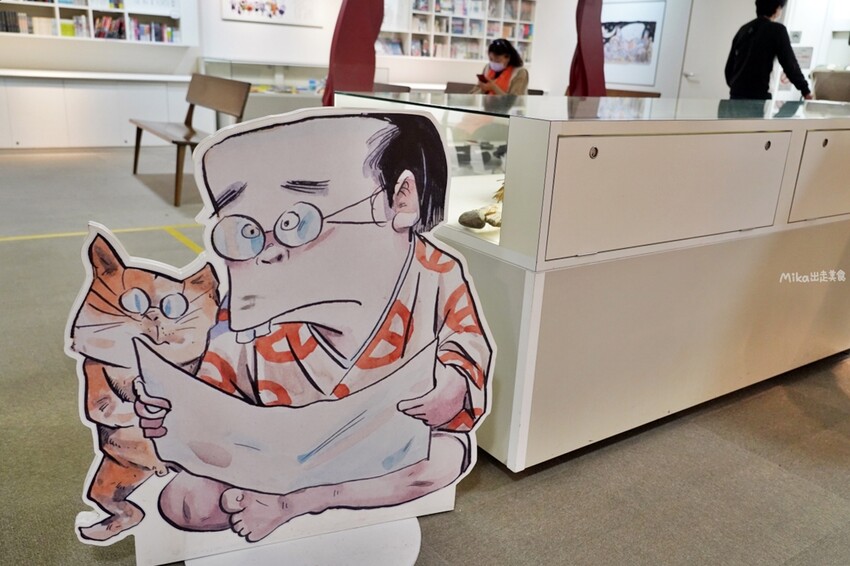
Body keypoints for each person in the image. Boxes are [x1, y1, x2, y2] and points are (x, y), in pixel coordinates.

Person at [134, 110, 493, 543]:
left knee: (446, 457)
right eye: (243, 232)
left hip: (386, 451)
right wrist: (176, 416)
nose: (267, 252)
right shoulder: (254, 307)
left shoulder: (434, 273)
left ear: (401, 199)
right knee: (185, 500)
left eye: (297, 221)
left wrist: (455, 384)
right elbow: (216, 382)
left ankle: (302, 502)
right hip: (275, 458)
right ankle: (275, 496)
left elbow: (465, 340)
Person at [725, 0, 812, 100]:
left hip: (735, 96)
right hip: (758, 96)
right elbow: (790, 64)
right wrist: (805, 91)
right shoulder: (777, 30)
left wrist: (735, 86)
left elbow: (729, 67)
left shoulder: (743, 30)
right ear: (777, 9)